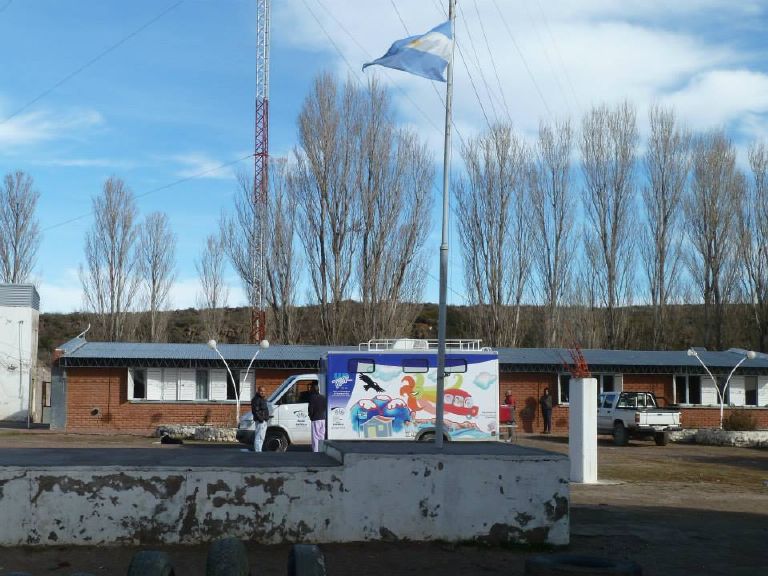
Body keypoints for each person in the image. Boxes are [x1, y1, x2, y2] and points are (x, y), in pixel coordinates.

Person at [307, 382, 327, 452]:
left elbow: (311, 408)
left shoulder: (312, 398)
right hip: (323, 419)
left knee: (315, 437)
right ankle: (322, 450)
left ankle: (316, 452)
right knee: (321, 436)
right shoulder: (323, 397)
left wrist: (310, 416)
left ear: (313, 390)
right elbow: (325, 407)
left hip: (316, 419)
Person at [250, 386, 269, 452]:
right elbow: (255, 411)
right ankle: (257, 451)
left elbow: (264, 410)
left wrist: (266, 418)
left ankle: (259, 449)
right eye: (261, 391)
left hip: (264, 420)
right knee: (259, 436)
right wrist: (260, 419)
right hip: (260, 421)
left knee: (262, 437)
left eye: (264, 391)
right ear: (258, 391)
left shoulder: (263, 399)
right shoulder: (256, 399)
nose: (262, 392)